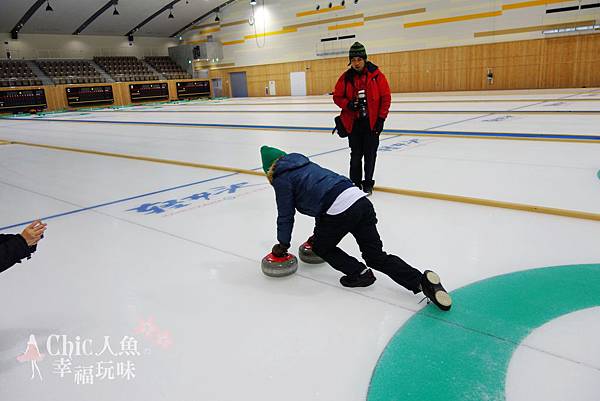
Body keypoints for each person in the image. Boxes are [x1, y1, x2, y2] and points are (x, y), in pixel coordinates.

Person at [260, 146, 452, 311]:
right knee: (376, 256)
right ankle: (422, 282)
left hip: (339, 210)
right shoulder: (306, 165)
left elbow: (286, 214)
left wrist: (283, 244)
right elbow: (323, 196)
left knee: (321, 247)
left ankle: (360, 274)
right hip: (359, 200)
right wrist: (317, 233)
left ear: (270, 169)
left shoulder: (281, 178)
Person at [333, 41, 391, 196]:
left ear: (365, 59)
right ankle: (355, 183)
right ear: (350, 61)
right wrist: (348, 105)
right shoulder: (345, 78)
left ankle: (368, 183)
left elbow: (386, 98)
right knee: (356, 155)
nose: (356, 63)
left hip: (371, 124)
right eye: (353, 60)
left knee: (370, 155)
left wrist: (381, 119)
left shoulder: (377, 76)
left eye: (359, 59)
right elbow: (337, 97)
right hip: (354, 124)